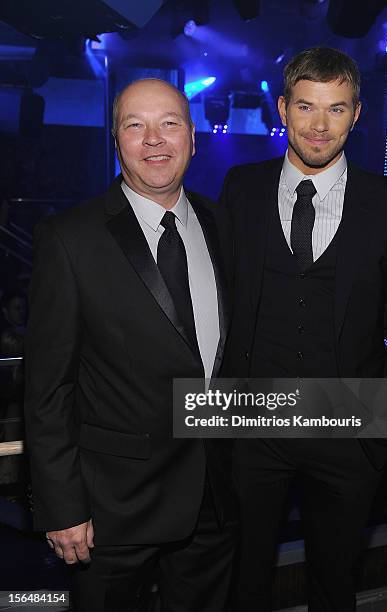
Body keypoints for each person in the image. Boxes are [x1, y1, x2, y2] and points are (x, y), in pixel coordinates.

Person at [220, 46, 387, 611]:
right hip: (253, 429)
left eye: (336, 109)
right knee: (246, 584)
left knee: (334, 586)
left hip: (349, 434)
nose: (318, 125)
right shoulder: (242, 188)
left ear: (357, 113)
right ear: (282, 109)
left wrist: (381, 438)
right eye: (307, 106)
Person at [24, 78, 235, 612]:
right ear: (114, 140)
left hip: (214, 497)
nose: (154, 140)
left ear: (192, 135)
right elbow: (47, 389)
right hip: (112, 507)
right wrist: (62, 506)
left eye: (169, 124)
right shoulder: (69, 239)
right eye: (134, 126)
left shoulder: (223, 225)